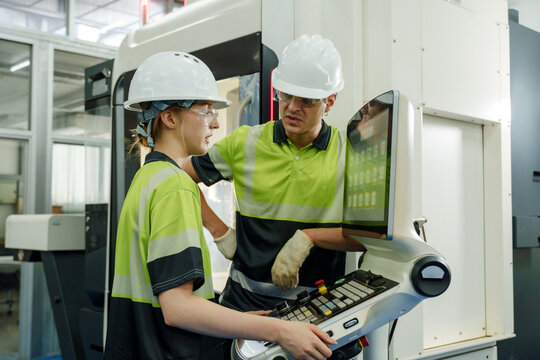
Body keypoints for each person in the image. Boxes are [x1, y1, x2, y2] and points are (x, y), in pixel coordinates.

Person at [104, 51, 336, 360]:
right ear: (170, 118)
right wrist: (279, 330)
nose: (214, 123)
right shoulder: (175, 185)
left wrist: (243, 325)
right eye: (205, 110)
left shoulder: (148, 176)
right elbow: (179, 309)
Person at [184, 35, 366, 313]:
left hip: (317, 309)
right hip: (242, 306)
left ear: (329, 102)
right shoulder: (244, 142)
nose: (292, 107)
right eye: (285, 94)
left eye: (306, 100)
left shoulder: (350, 153)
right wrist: (219, 231)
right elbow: (178, 178)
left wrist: (309, 237)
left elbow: (368, 235)